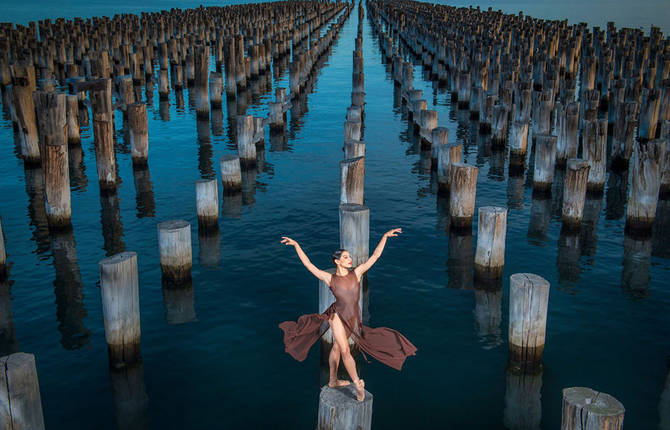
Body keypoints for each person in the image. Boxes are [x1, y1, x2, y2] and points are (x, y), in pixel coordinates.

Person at [278, 228, 417, 402]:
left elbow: (375, 256)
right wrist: (297, 245)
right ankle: (358, 384)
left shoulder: (357, 274)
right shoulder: (330, 279)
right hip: (337, 316)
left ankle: (333, 380)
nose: (350, 259)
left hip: (352, 317)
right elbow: (309, 265)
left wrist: (384, 237)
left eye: (350, 257)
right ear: (337, 261)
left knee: (336, 346)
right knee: (344, 349)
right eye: (345, 257)